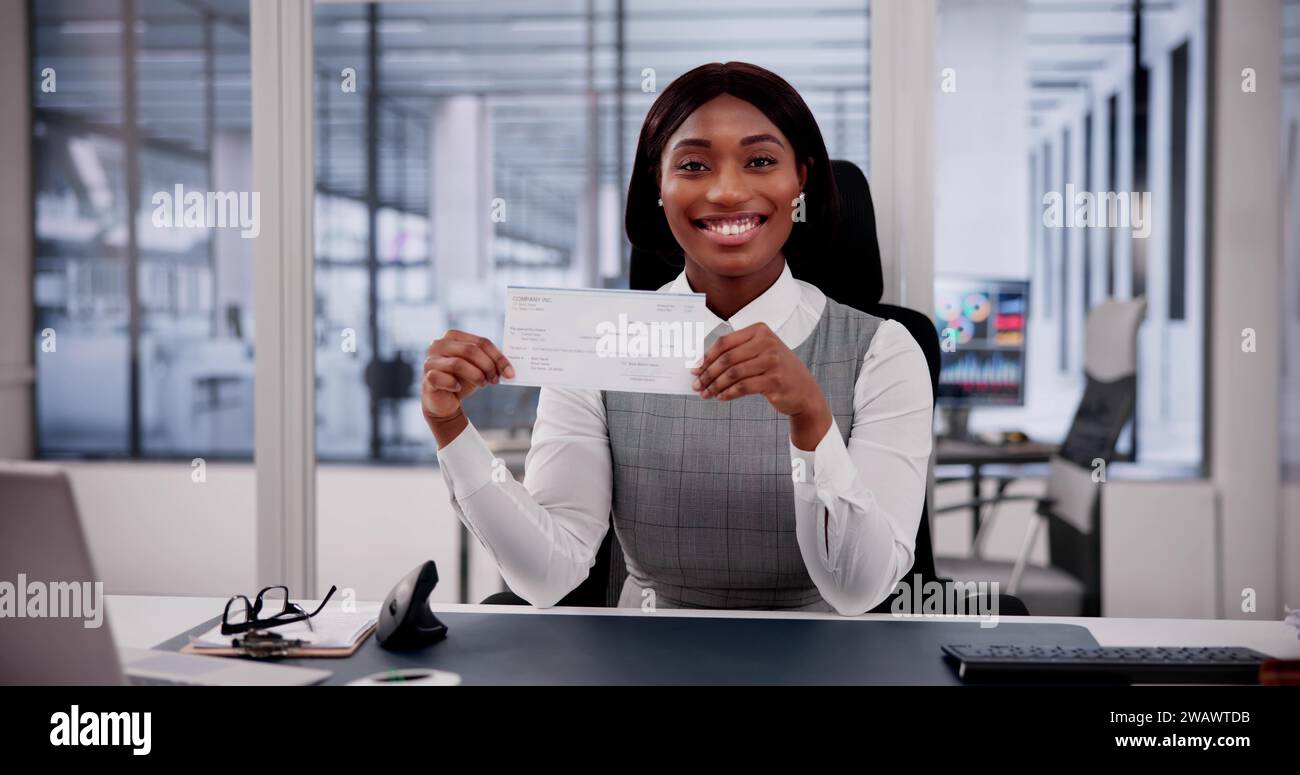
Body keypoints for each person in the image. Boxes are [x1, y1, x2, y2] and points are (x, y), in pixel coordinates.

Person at [422, 62, 932, 615]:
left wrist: (811, 416)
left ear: (800, 179)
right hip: (647, 655)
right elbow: (548, 576)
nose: (729, 190)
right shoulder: (601, 342)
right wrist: (450, 427)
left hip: (826, 660)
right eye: (693, 165)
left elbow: (858, 589)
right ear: (658, 188)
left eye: (761, 161)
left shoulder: (886, 351)